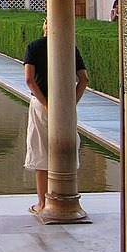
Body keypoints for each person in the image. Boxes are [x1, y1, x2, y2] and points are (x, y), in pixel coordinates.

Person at [24, 18, 89, 214]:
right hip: (64, 106)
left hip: (41, 106)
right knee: (64, 149)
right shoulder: (70, 47)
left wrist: (45, 103)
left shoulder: (34, 47)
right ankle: (66, 198)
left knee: (41, 152)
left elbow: (29, 80)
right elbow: (84, 79)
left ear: (45, 26)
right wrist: (71, 103)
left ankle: (43, 203)